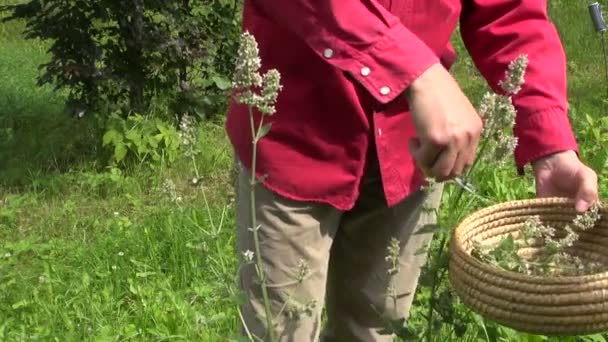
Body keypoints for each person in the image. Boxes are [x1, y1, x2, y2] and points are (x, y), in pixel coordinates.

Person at [225, 1, 600, 341]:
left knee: (375, 328)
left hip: (411, 148)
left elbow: (509, 12)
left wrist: (549, 143)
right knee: (280, 332)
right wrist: (413, 70)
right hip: (296, 137)